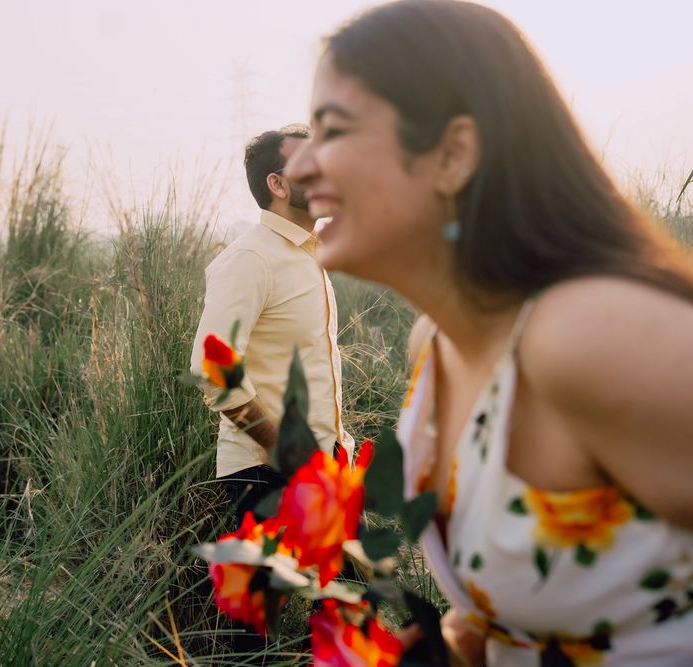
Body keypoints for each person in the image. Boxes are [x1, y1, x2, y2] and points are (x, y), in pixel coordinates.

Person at [284, 1, 693, 666]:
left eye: (331, 130)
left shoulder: (584, 337)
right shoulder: (434, 346)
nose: (300, 167)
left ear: (453, 153)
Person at [192, 124, 355, 524]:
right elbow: (212, 369)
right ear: (278, 185)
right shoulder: (250, 258)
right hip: (266, 475)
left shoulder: (308, 256)